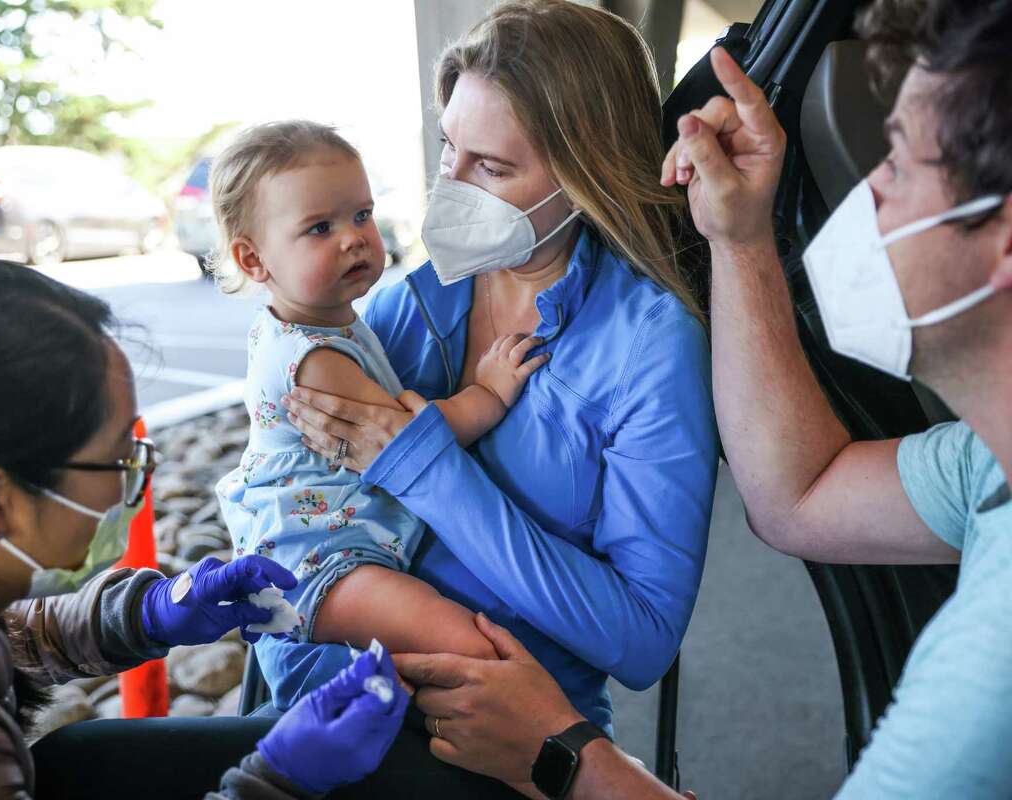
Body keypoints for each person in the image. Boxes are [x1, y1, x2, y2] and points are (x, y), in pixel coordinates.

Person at [392, 0, 1012, 797]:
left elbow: (644, 631)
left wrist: (565, 756)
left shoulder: (990, 664)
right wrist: (740, 234)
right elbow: (798, 496)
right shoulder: (981, 469)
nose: (864, 198)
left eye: (895, 165)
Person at [277, 0, 719, 781]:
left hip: (497, 742)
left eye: (492, 167)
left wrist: (426, 468)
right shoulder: (406, 302)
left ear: (584, 177)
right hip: (327, 705)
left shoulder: (648, 344)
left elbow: (645, 639)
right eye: (450, 148)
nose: (451, 185)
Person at [0, 257, 406, 799]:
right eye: (120, 459)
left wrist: (144, 613)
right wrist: (280, 782)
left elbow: (0, 636)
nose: (138, 478)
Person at [209, 121, 547, 668]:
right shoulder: (313, 359)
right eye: (320, 227)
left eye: (362, 214)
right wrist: (488, 392)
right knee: (471, 646)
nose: (354, 238)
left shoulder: (319, 322)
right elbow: (410, 443)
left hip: (340, 546)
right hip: (320, 562)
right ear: (253, 260)